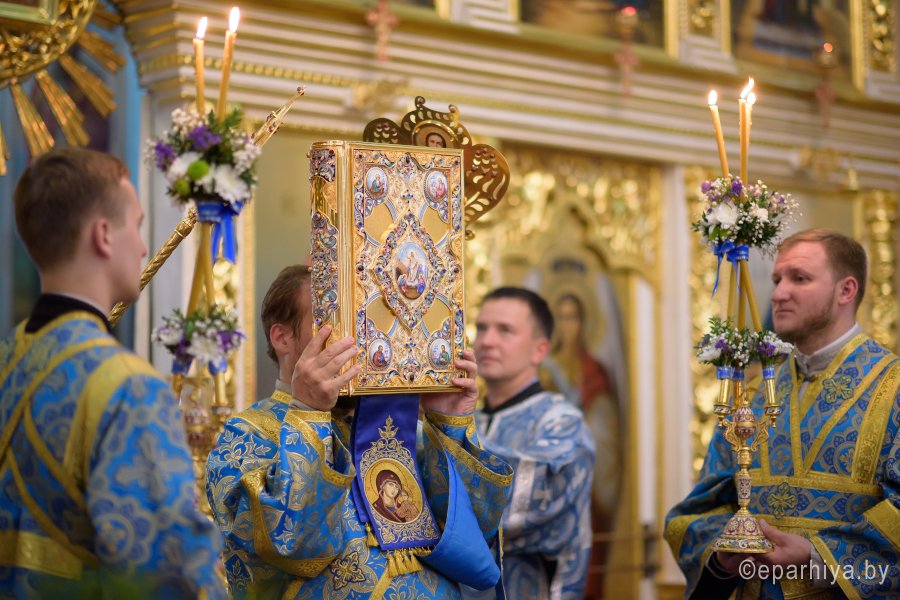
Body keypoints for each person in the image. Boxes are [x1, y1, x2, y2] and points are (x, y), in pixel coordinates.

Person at [206, 265, 513, 598]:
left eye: (364, 321)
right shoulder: (247, 434)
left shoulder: (404, 432)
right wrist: (308, 411)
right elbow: (289, 546)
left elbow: (474, 535)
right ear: (282, 338)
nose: (359, 339)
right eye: (336, 322)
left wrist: (449, 422)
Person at [1, 148, 223, 598]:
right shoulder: (129, 387)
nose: (142, 246)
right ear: (103, 235)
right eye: (136, 226)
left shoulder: (8, 357)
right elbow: (168, 575)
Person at [664, 229, 900, 599]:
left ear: (846, 290)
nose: (777, 294)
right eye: (777, 280)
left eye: (799, 278)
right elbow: (699, 510)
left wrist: (815, 557)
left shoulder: (894, 388)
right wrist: (725, 556)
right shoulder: (753, 395)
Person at [468, 287, 595, 600]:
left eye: (505, 330)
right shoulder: (469, 419)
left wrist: (444, 431)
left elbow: (517, 511)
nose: (486, 341)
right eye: (481, 328)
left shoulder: (563, 423)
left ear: (539, 350)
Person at [541, 292, 622, 597]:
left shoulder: (594, 370)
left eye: (573, 317)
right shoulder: (545, 370)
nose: (568, 325)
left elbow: (606, 424)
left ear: (584, 322)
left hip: (588, 477)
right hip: (552, 475)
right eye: (562, 318)